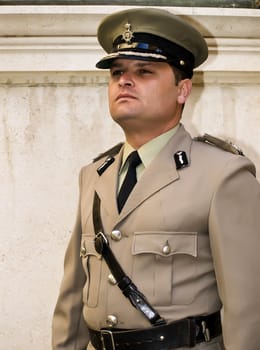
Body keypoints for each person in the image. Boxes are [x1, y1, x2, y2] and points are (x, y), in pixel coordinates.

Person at [52, 7, 260, 350]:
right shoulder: (94, 175)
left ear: (183, 90)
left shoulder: (222, 176)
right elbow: (72, 297)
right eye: (117, 72)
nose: (124, 80)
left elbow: (249, 310)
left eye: (144, 71)